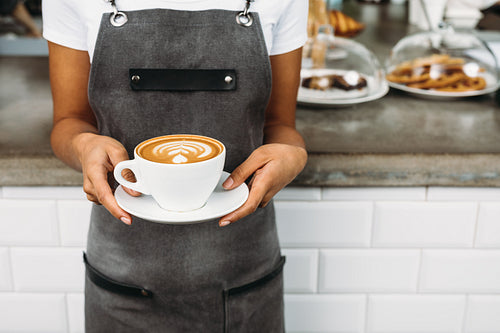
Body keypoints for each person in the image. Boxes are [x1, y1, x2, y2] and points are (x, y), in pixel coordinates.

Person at [42, 0, 308, 331]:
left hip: (245, 282)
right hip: (121, 283)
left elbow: (281, 123)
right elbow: (69, 121)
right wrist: (84, 145)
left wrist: (295, 153)